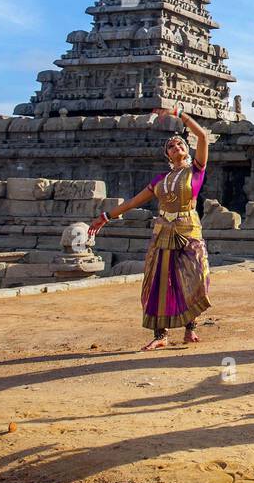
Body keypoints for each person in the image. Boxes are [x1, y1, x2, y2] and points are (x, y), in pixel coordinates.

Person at [89, 105, 212, 351]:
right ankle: (161, 334)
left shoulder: (196, 170)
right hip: (163, 232)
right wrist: (106, 216)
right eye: (171, 146)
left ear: (187, 150)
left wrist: (178, 114)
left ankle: (190, 326)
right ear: (167, 155)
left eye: (180, 144)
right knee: (161, 281)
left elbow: (202, 136)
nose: (176, 147)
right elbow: (133, 202)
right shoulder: (159, 180)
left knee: (195, 276)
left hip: (188, 230)